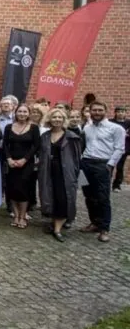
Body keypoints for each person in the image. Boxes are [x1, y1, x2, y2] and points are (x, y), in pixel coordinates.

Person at [80, 101, 125, 242]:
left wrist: (110, 165)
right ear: (90, 111)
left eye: (100, 110)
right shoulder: (87, 128)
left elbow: (120, 148)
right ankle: (94, 223)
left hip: (102, 165)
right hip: (86, 164)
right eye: (94, 110)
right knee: (88, 195)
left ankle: (105, 228)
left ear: (106, 111)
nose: (97, 113)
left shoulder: (116, 128)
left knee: (103, 197)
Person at [38, 109, 81, 242]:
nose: (57, 119)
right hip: (48, 171)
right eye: (54, 117)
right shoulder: (45, 136)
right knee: (50, 197)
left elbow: (77, 158)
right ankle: (53, 221)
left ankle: (57, 229)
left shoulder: (72, 137)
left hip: (65, 172)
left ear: (64, 120)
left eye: (59, 117)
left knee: (64, 198)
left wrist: (76, 175)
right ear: (49, 119)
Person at [3, 104, 40, 228]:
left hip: (26, 163)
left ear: (28, 113)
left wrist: (25, 159)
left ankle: (23, 216)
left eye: (25, 111)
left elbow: (35, 146)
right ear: (15, 112)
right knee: (12, 189)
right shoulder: (9, 127)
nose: (22, 114)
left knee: (24, 189)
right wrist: (9, 159)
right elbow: (5, 145)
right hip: (12, 163)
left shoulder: (34, 128)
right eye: (20, 111)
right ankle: (16, 214)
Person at [109, 106, 130, 192]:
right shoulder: (110, 122)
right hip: (111, 148)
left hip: (123, 148)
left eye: (123, 111)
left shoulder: (128, 123)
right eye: (119, 111)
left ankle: (116, 185)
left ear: (126, 113)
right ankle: (107, 183)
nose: (121, 113)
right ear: (115, 113)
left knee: (120, 167)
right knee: (110, 166)